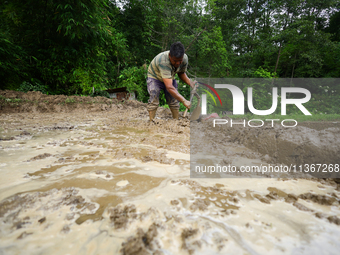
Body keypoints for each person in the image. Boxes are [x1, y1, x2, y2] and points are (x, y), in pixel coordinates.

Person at [147, 41, 196, 121]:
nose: (178, 63)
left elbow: (181, 73)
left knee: (173, 99)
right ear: (170, 56)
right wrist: (184, 100)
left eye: (180, 60)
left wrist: (190, 82)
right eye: (175, 61)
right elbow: (169, 87)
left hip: (169, 77)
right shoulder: (163, 61)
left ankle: (176, 121)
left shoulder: (184, 59)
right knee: (154, 96)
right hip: (155, 77)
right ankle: (151, 121)